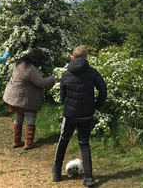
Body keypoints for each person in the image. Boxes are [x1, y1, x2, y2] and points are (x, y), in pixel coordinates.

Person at [52, 46, 107, 187]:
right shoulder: (93, 72)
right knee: (84, 143)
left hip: (70, 114)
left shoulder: (66, 74)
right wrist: (96, 106)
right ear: (86, 58)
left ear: (72, 58)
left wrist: (68, 106)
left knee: (63, 140)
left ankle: (57, 172)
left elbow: (62, 95)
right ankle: (88, 177)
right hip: (86, 114)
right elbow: (103, 89)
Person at [3, 49, 55, 150]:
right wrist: (54, 77)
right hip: (25, 99)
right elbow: (40, 82)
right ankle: (29, 143)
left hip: (13, 97)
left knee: (18, 117)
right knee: (30, 117)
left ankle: (16, 141)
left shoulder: (19, 63)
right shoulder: (31, 69)